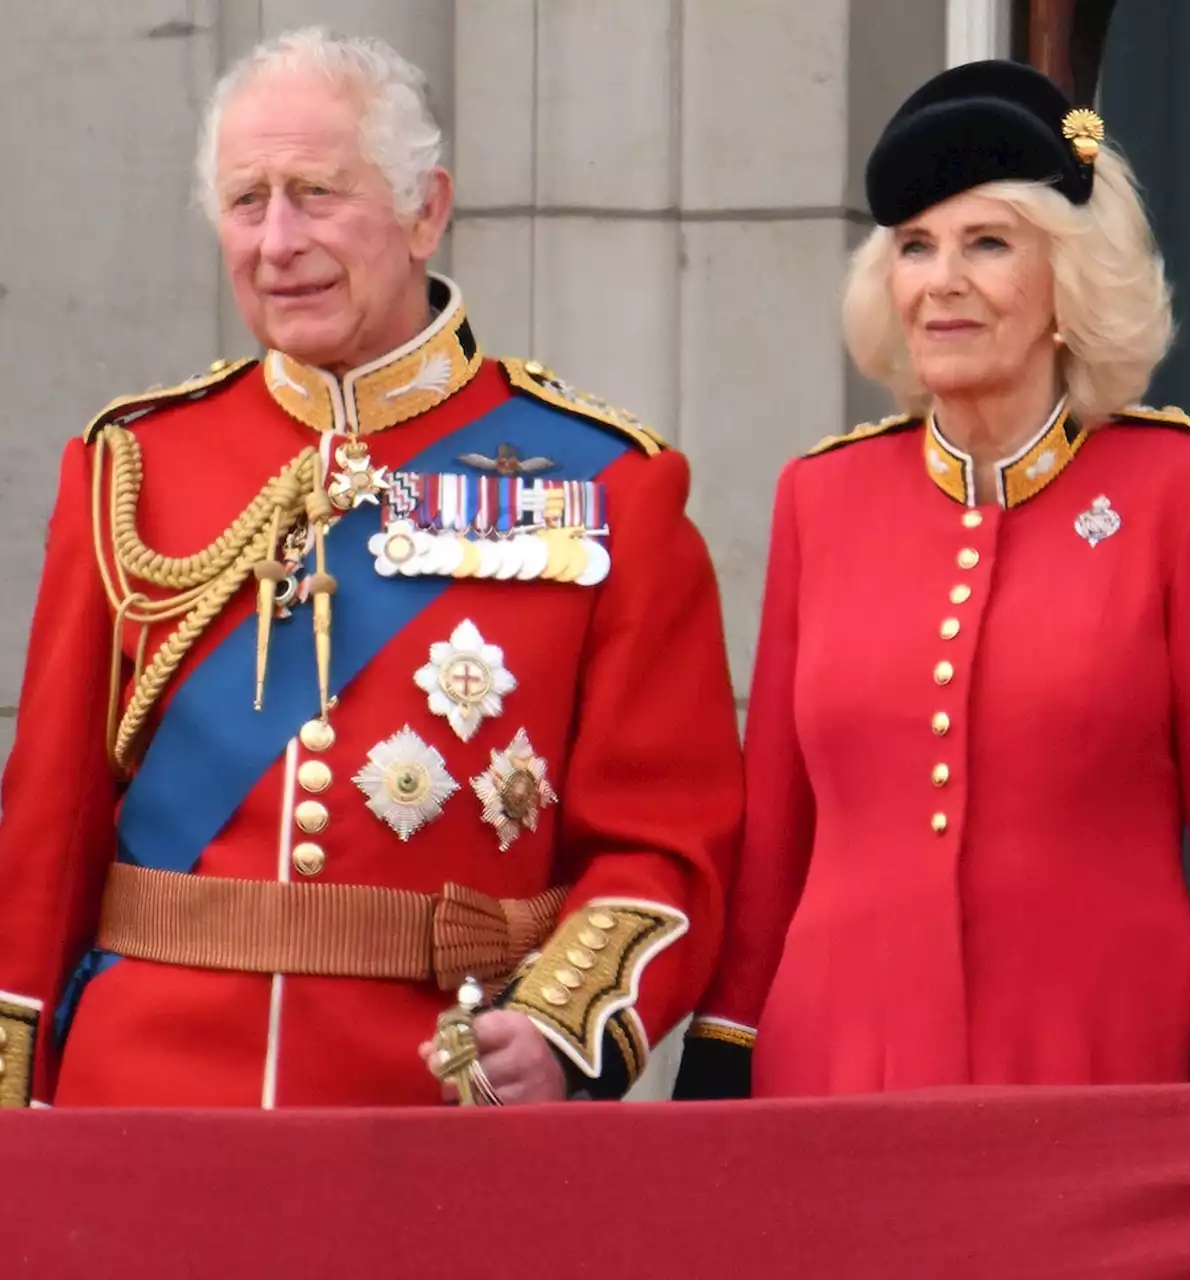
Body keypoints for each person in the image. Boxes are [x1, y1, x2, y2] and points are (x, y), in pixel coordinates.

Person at [0, 27, 742, 1109]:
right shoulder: (132, 466)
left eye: (316, 192)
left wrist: (555, 1027)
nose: (277, 240)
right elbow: (47, 834)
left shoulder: (607, 482)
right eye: (246, 202)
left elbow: (664, 843)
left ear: (423, 209)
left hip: (428, 1109)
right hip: (144, 1101)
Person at [675, 59, 1190, 1101]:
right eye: (913, 247)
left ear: (1068, 281)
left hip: (1103, 1058)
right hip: (836, 1069)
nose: (940, 279)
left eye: (986, 243)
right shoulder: (819, 497)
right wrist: (723, 1040)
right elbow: (773, 834)